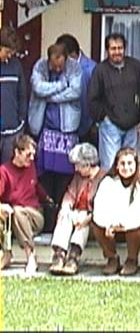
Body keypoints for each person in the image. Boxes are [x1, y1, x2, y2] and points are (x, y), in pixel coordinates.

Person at [29, 43, 82, 232]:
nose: (58, 69)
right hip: (46, 129)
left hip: (67, 130)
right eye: (54, 66)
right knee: (45, 176)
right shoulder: (40, 66)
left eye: (61, 66)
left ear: (66, 59)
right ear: (49, 60)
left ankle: (61, 220)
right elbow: (38, 88)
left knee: (65, 176)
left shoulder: (74, 67)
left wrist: (51, 96)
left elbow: (76, 91)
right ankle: (47, 221)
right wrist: (60, 86)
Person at [88, 33, 140, 171]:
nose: (117, 52)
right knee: (110, 166)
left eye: (120, 48)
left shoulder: (135, 67)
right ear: (107, 50)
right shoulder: (100, 70)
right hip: (110, 126)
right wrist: (104, 117)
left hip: (132, 126)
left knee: (130, 166)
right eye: (113, 48)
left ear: (125, 48)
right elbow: (93, 98)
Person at [92, 147, 140, 276]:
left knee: (138, 226)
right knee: (96, 225)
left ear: (136, 164)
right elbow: (99, 207)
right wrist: (109, 224)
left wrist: (123, 225)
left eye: (130, 163)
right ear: (117, 165)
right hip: (111, 229)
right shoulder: (108, 182)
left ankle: (132, 260)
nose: (126, 167)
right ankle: (112, 258)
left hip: (133, 228)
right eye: (122, 163)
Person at [48, 143, 106, 275]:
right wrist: (65, 208)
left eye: (78, 165)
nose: (76, 168)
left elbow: (102, 206)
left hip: (93, 218)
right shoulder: (78, 177)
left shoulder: (104, 178)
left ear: (88, 164)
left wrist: (87, 219)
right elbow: (70, 195)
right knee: (65, 215)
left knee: (82, 220)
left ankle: (73, 257)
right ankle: (59, 254)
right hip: (77, 213)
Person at [0, 135, 52, 274]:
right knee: (11, 214)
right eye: (28, 154)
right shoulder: (4, 171)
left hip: (34, 215)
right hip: (14, 217)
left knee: (18, 211)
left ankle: (31, 255)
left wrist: (47, 199)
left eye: (33, 155)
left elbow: (35, 186)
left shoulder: (31, 167)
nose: (32, 158)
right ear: (17, 152)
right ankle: (6, 253)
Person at [55, 33, 97, 145]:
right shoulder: (59, 67)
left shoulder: (91, 69)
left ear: (72, 54)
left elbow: (97, 99)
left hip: (87, 127)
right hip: (65, 126)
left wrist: (94, 124)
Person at [0, 26, 27, 165]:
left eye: (12, 52)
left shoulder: (16, 66)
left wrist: (21, 120)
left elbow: (22, 95)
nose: (9, 55)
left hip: (12, 131)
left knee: (9, 170)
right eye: (7, 52)